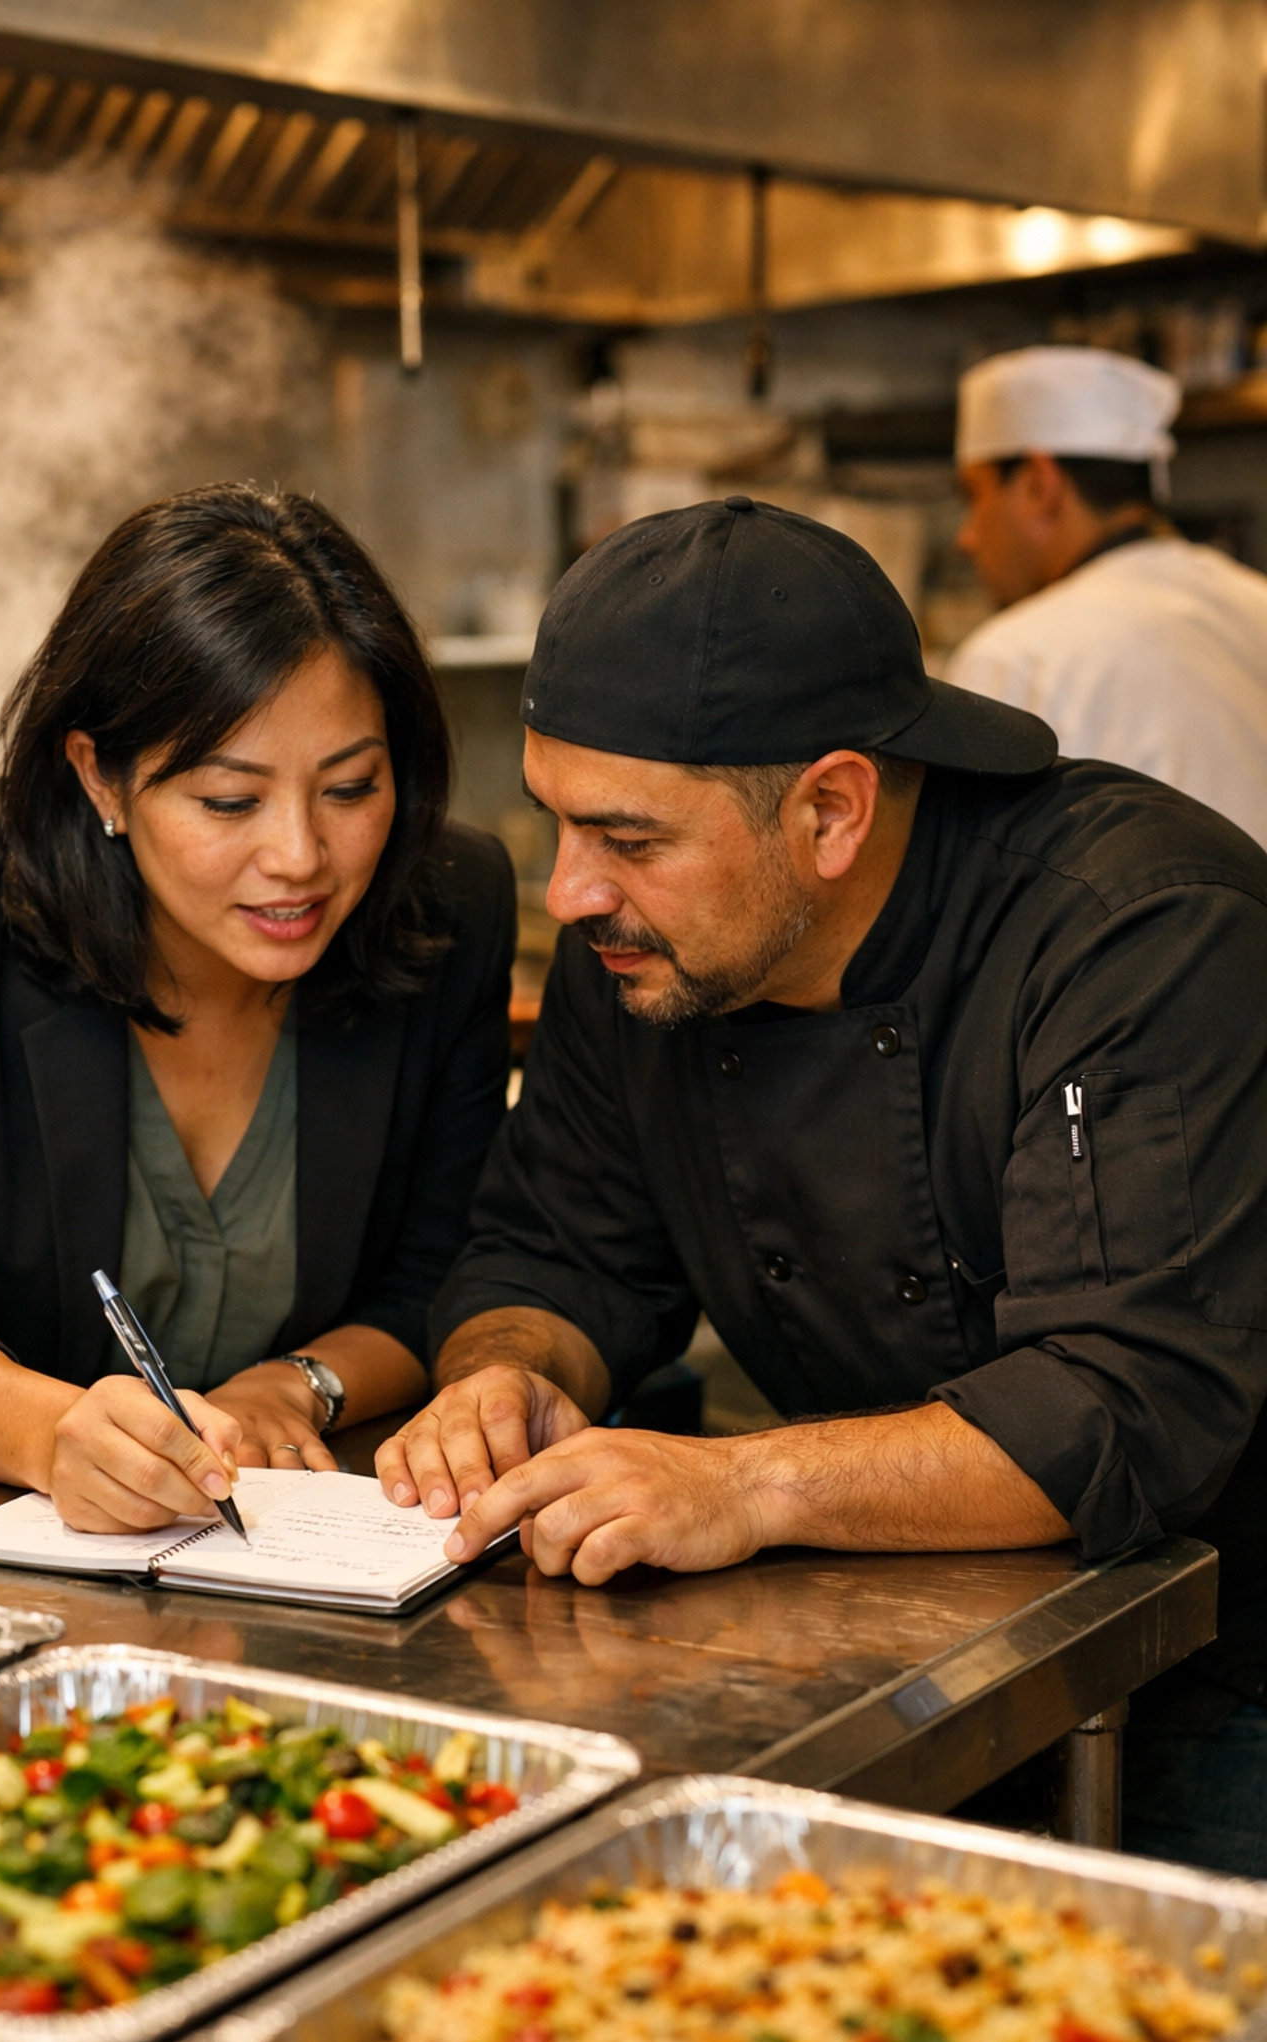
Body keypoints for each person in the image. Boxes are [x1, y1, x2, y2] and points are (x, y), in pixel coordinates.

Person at [377, 495, 1267, 1874]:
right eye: (557, 823)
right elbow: (554, 1252)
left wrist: (746, 1488)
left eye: (628, 838)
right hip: (899, 1639)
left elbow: (1117, 1403)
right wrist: (505, 1374)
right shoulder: (650, 955)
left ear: (832, 811)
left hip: (1218, 1659)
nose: (569, 894)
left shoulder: (1132, 932)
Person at [0, 483, 515, 1533]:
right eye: (229, 801)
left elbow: (451, 1268)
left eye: (350, 788)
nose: (300, 857)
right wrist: (50, 1433)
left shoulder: (449, 903)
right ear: (103, 780)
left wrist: (295, 1384)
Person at [947, 343, 1267, 849]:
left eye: (974, 496)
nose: (966, 536)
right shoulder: (1256, 601)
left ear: (1038, 485)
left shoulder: (1018, 658)